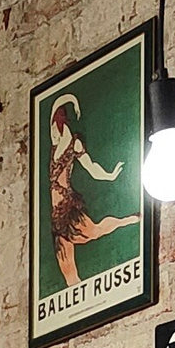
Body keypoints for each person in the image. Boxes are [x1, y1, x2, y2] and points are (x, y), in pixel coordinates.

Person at [45, 95, 142, 290]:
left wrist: (110, 175)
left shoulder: (74, 144)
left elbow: (91, 168)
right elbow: (55, 105)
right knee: (69, 274)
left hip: (68, 209)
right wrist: (73, 99)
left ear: (63, 124)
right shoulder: (54, 144)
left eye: (58, 123)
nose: (54, 129)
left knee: (95, 231)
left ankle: (130, 219)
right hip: (56, 217)